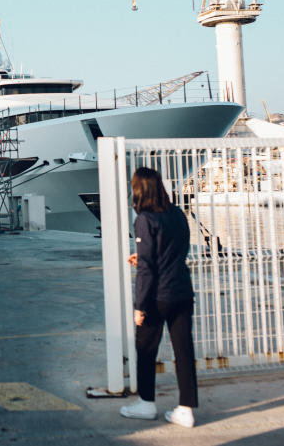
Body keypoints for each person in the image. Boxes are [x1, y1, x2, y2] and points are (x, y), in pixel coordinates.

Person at [119, 167, 198, 428]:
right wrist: (144, 257)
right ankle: (185, 410)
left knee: (145, 350)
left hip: (157, 296)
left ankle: (146, 404)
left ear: (139, 189)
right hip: (182, 290)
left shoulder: (145, 219)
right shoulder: (177, 214)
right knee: (184, 350)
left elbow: (147, 268)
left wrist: (140, 306)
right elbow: (177, 250)